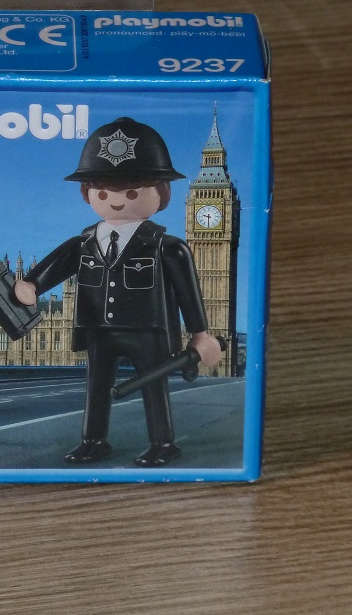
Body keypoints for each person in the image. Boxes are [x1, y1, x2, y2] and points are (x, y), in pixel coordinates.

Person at [14, 117, 223, 467]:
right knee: (96, 386)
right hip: (99, 328)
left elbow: (188, 291)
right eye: (103, 192)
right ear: (88, 194)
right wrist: (32, 283)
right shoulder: (85, 242)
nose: (115, 200)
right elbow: (58, 263)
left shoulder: (166, 246)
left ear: (161, 193)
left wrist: (200, 334)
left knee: (153, 386)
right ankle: (93, 440)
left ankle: (163, 443)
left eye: (131, 192)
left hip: (147, 329)